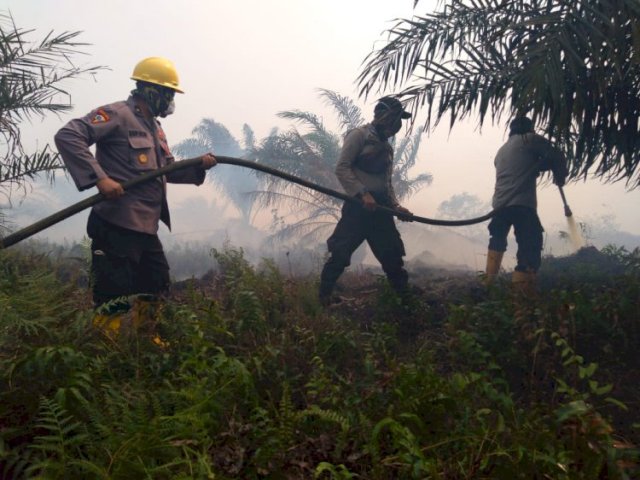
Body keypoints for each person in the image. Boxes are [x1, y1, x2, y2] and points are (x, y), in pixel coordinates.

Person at [54, 56, 217, 323]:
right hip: (115, 224)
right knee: (112, 295)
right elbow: (69, 135)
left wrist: (199, 167)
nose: (170, 102)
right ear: (152, 91)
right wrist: (101, 179)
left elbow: (166, 170)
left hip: (145, 228)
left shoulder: (156, 129)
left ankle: (148, 344)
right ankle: (107, 349)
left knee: (156, 286)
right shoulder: (117, 114)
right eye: (168, 94)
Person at [318, 96, 414, 306]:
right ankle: (324, 298)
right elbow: (342, 167)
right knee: (340, 253)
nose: (398, 124)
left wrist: (396, 206)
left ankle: (406, 302)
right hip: (358, 207)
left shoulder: (387, 148)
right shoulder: (359, 135)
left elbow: (386, 182)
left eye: (400, 119)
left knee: (392, 255)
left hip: (380, 209)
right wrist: (363, 194)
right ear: (381, 115)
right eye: (395, 117)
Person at [485, 116, 567, 291]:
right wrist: (559, 175)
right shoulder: (529, 139)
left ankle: (488, 283)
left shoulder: (502, 150)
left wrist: (542, 165)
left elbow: (522, 166)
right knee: (530, 244)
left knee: (497, 239)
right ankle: (522, 298)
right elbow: (557, 155)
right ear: (529, 129)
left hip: (499, 206)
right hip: (521, 204)